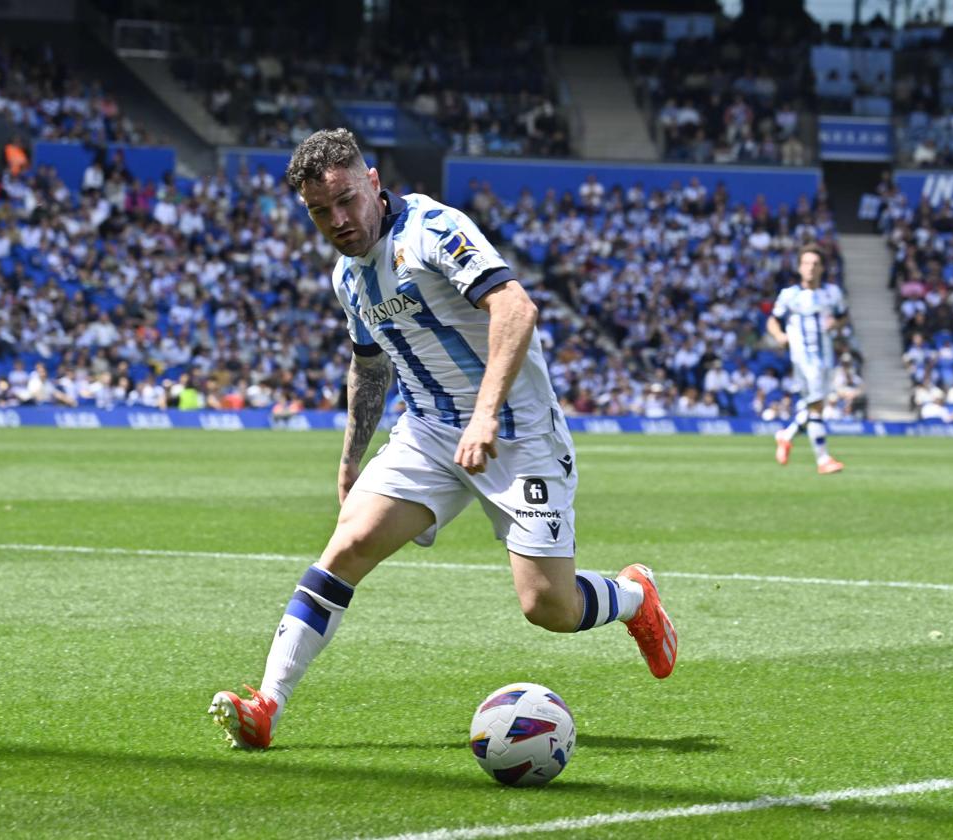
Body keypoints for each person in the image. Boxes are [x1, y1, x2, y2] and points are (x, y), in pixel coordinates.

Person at [208, 128, 678, 750]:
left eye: (347, 200)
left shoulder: (431, 230)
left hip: (517, 433)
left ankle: (632, 596)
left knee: (548, 608)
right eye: (321, 212)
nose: (339, 220)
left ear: (372, 183)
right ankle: (266, 705)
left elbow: (515, 308)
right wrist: (350, 461)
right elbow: (369, 365)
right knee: (343, 550)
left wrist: (484, 415)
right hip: (428, 435)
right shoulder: (347, 278)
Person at [767, 244, 847, 474]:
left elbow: (843, 316)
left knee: (814, 406)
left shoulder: (832, 293)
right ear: (799, 267)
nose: (810, 268)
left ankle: (786, 435)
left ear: (822, 268)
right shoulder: (789, 295)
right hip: (803, 358)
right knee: (816, 406)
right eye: (806, 263)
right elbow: (772, 320)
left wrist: (836, 324)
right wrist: (779, 335)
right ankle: (823, 460)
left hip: (826, 356)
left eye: (815, 264)